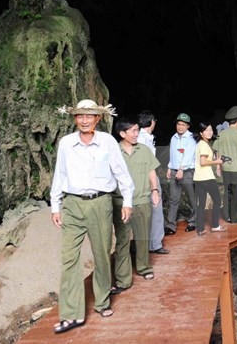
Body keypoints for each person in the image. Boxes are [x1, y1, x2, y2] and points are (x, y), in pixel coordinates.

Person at [50, 99, 134, 333]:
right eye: (80, 116)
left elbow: (121, 173)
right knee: (69, 259)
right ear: (74, 118)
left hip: (100, 203)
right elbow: (60, 173)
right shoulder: (66, 143)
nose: (84, 120)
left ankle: (102, 302)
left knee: (102, 255)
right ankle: (71, 313)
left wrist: (127, 201)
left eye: (89, 116)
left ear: (98, 118)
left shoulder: (107, 141)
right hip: (73, 204)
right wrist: (55, 206)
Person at [111, 117, 160, 295]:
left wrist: (155, 190)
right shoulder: (113, 151)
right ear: (122, 133)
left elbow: (151, 171)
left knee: (143, 237)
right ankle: (123, 279)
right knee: (122, 240)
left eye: (138, 130)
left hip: (141, 200)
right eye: (133, 131)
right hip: (121, 202)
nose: (137, 134)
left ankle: (144, 267)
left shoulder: (144, 149)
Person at [137, 110, 168, 255]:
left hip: (139, 179)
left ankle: (145, 245)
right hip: (149, 177)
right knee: (156, 210)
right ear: (152, 122)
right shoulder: (143, 139)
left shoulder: (140, 137)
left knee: (144, 212)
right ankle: (155, 244)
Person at [165, 112, 197, 235]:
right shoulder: (173, 137)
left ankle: (193, 221)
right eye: (178, 124)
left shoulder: (190, 139)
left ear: (188, 126)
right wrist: (169, 167)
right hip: (174, 170)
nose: (180, 127)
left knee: (191, 198)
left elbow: (188, 156)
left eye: (183, 125)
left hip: (186, 171)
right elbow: (172, 154)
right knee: (173, 198)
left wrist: (181, 169)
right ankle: (171, 225)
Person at [194, 122, 228, 235]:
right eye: (206, 130)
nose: (209, 132)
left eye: (211, 130)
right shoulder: (203, 145)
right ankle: (215, 225)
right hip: (206, 177)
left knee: (201, 203)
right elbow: (203, 162)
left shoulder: (201, 144)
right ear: (201, 133)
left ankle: (200, 228)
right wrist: (217, 162)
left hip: (198, 177)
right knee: (217, 200)